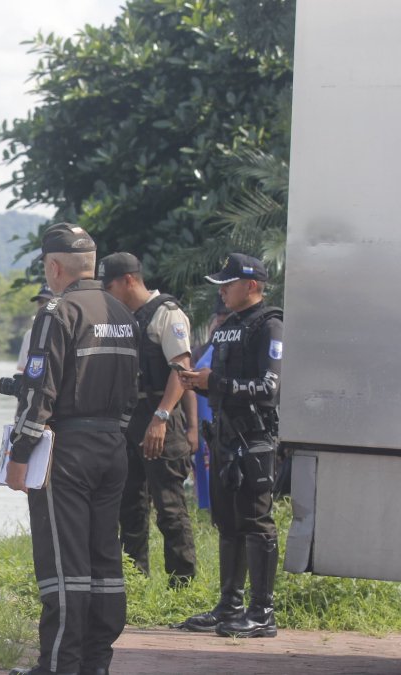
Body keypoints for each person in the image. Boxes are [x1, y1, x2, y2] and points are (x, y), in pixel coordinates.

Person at [5, 224, 139, 675]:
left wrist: (19, 456)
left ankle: (60, 663)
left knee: (63, 560)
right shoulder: (122, 312)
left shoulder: (57, 312)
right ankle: (97, 662)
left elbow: (40, 392)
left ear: (54, 266)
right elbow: (131, 392)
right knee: (103, 557)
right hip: (113, 446)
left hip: (68, 449)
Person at [177, 254, 283, 639]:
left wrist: (215, 384)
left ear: (251, 286)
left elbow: (269, 389)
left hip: (253, 440)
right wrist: (197, 381)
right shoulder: (228, 327)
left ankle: (262, 613)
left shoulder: (269, 326)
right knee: (228, 522)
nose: (221, 291)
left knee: (256, 523)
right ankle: (229, 607)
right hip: (223, 437)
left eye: (228, 284)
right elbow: (217, 377)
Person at [99, 252, 198, 585]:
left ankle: (182, 585)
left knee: (169, 508)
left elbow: (182, 370)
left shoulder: (167, 315)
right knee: (130, 507)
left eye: (109, 285)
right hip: (130, 423)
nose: (107, 293)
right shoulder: (126, 317)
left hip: (161, 420)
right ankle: (134, 582)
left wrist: (161, 417)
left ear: (128, 280)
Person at [188, 296, 233, 510]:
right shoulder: (202, 350)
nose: (221, 322)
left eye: (226, 318)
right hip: (205, 416)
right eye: (219, 318)